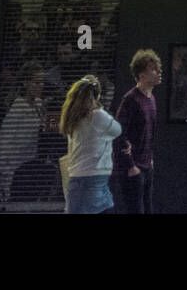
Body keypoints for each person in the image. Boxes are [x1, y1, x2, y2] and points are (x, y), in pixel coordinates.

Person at [59, 74, 120, 214]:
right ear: (95, 97)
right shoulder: (97, 116)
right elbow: (117, 130)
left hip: (75, 178)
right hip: (95, 177)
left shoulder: (71, 119)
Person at [0, 62, 47, 200]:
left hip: (28, 165)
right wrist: (1, 173)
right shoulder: (17, 107)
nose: (40, 86)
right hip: (10, 167)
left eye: (42, 82)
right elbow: (5, 142)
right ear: (26, 83)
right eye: (36, 82)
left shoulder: (39, 104)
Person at [114, 49, 161, 213]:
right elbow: (119, 133)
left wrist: (150, 160)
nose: (158, 72)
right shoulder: (130, 100)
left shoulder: (152, 99)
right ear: (141, 75)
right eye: (153, 69)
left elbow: (150, 132)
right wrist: (131, 166)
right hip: (133, 169)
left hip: (147, 166)